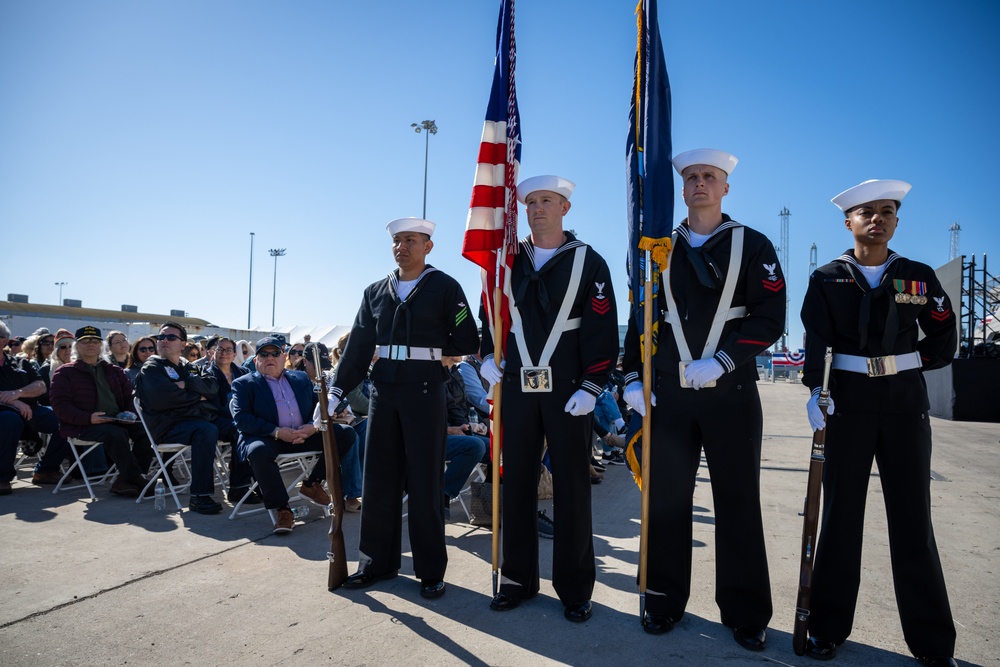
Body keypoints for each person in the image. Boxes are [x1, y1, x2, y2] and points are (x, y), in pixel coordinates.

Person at [621, 150, 784, 648]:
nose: (698, 184)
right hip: (669, 396)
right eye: (691, 177)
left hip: (730, 393)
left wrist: (725, 360)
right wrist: (631, 377)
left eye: (708, 177)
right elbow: (641, 317)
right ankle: (663, 601)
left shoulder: (753, 245)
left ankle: (746, 612)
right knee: (667, 502)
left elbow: (769, 317)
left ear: (725, 188)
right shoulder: (656, 248)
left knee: (737, 503)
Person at [799, 180, 958, 666]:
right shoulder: (828, 277)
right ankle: (827, 628)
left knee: (913, 522)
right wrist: (814, 392)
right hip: (847, 405)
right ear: (848, 221)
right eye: (866, 212)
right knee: (842, 518)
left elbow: (942, 332)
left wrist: (906, 365)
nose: (878, 218)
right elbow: (817, 340)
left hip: (905, 406)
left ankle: (932, 643)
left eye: (887, 211)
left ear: (895, 221)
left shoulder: (917, 275)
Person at [478, 175, 619, 623]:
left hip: (567, 390)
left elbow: (602, 329)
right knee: (516, 482)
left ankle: (575, 589)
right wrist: (484, 356)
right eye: (531, 201)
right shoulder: (506, 260)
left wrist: (591, 386)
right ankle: (517, 579)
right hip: (516, 386)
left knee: (573, 488)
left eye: (547, 201)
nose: (537, 208)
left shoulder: (589, 262)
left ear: (565, 209)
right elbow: (489, 313)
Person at [329, 216, 479, 600]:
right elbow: (359, 346)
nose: (403, 246)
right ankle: (377, 563)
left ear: (428, 246)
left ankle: (430, 570)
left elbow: (466, 333)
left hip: (426, 391)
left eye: (411, 240)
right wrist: (336, 391)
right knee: (379, 480)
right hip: (383, 392)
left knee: (425, 481)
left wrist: (442, 353)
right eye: (397, 240)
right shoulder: (375, 291)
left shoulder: (445, 286)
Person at [231, 336, 356, 534]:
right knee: (257, 451)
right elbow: (242, 419)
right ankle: (283, 509)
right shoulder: (244, 384)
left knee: (346, 433)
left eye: (275, 353)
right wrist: (279, 432)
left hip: (303, 434)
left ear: (283, 358)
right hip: (269, 437)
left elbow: (319, 407)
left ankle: (312, 484)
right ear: (256, 361)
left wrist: (312, 428)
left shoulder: (301, 378)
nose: (270, 357)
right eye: (264, 354)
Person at [49, 326, 154, 497]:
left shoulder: (114, 371)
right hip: (84, 425)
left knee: (147, 431)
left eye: (95, 341)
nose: (90, 344)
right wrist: (88, 418)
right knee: (115, 434)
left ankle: (124, 480)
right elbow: (60, 405)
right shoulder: (65, 372)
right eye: (85, 341)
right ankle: (135, 478)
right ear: (77, 346)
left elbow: (129, 398)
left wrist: (129, 413)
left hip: (116, 419)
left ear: (101, 345)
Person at [133, 321, 224, 514]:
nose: (164, 340)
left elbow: (213, 388)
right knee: (206, 430)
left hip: (192, 419)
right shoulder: (152, 367)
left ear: (183, 344)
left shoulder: (187, 366)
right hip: (166, 428)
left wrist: (187, 383)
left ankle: (241, 487)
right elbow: (164, 399)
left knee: (235, 427)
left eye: (171, 337)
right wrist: (198, 396)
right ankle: (200, 496)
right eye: (161, 337)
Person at [0, 321, 71, 494]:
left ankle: (46, 470)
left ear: (4, 340)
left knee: (66, 419)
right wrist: (12, 401)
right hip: (5, 411)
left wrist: (17, 394)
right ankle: (2, 477)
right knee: (11, 420)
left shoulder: (20, 363)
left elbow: (40, 386)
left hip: (30, 408)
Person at [203, 337, 255, 503]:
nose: (224, 353)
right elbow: (209, 405)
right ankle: (238, 488)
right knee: (241, 431)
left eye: (228, 350)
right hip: (216, 419)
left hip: (241, 418)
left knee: (259, 428)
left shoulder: (243, 373)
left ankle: (258, 484)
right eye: (220, 349)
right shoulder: (206, 374)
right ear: (213, 353)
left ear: (234, 354)